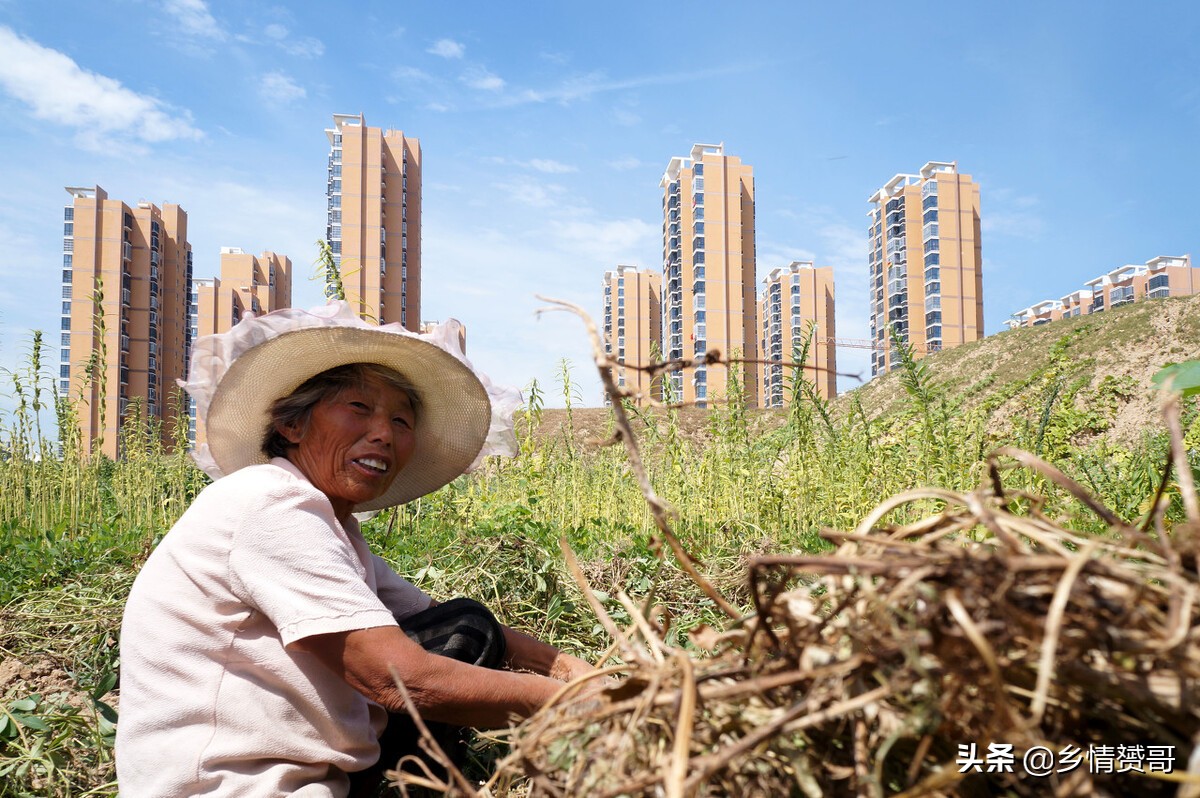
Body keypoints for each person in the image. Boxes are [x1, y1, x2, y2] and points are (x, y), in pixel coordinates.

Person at [115, 302, 597, 797]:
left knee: (467, 626)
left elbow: (449, 622)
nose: (384, 434)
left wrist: (572, 669)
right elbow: (401, 679)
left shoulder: (332, 528)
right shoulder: (269, 504)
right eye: (359, 408)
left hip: (313, 776)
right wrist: (582, 704)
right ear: (292, 425)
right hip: (231, 785)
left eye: (401, 422)